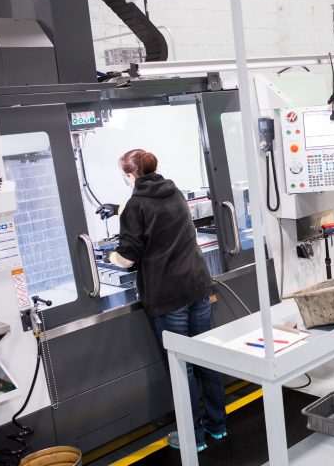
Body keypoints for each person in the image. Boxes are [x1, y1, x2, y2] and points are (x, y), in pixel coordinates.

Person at [97, 149, 227, 453]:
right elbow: (153, 215)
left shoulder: (136, 205)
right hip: (197, 286)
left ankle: (193, 438)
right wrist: (117, 209)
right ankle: (217, 426)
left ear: (130, 176)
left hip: (168, 297)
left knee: (182, 368)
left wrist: (109, 255)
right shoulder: (174, 191)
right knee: (205, 359)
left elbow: (128, 258)